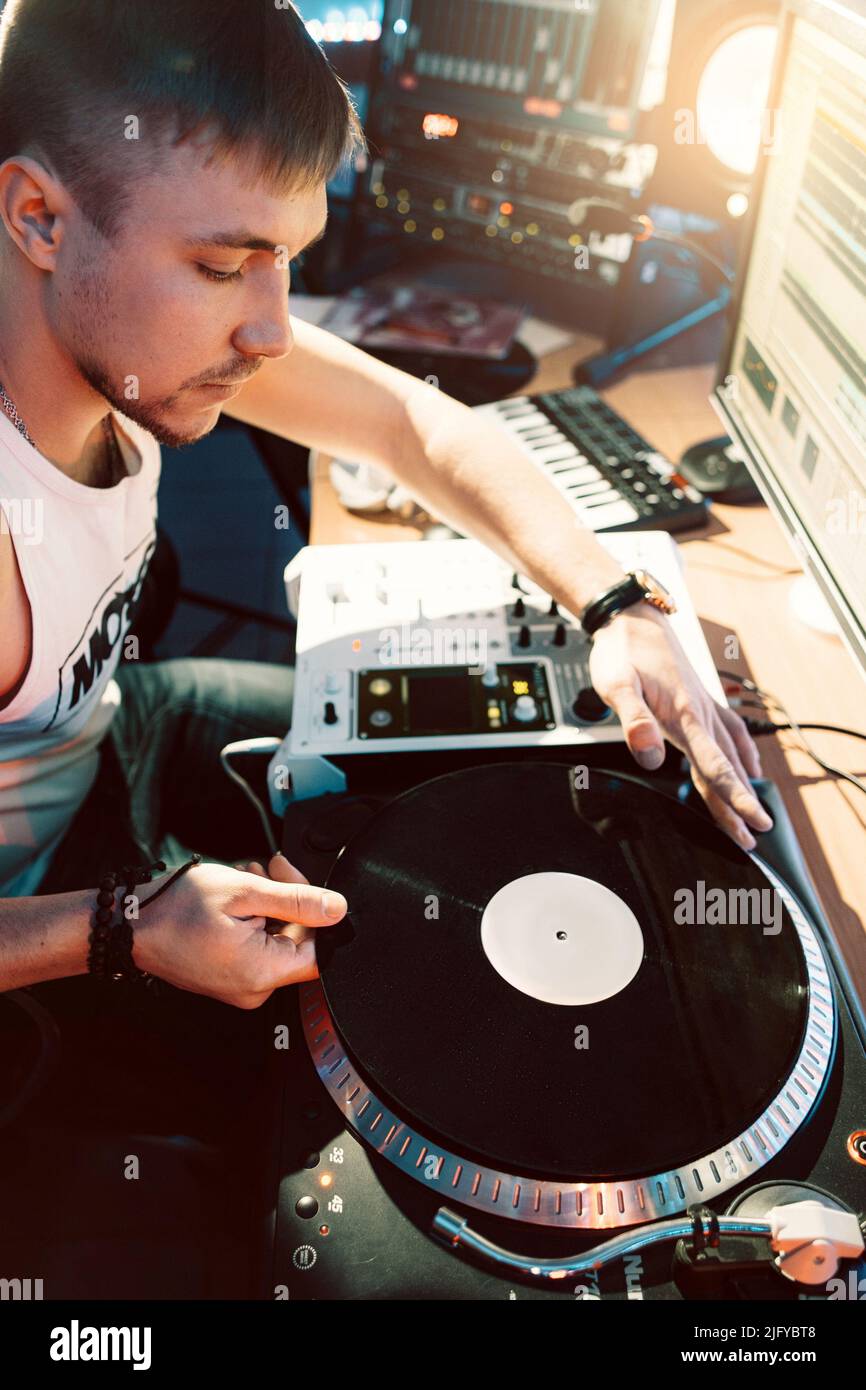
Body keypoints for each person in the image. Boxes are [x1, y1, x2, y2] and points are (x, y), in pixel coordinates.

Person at [0, 0, 772, 1010]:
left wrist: (614, 605)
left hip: (111, 729)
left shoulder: (137, 344)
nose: (273, 331)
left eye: (288, 260)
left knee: (495, 773)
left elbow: (416, 426)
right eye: (222, 268)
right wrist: (123, 928)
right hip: (39, 918)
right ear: (39, 219)